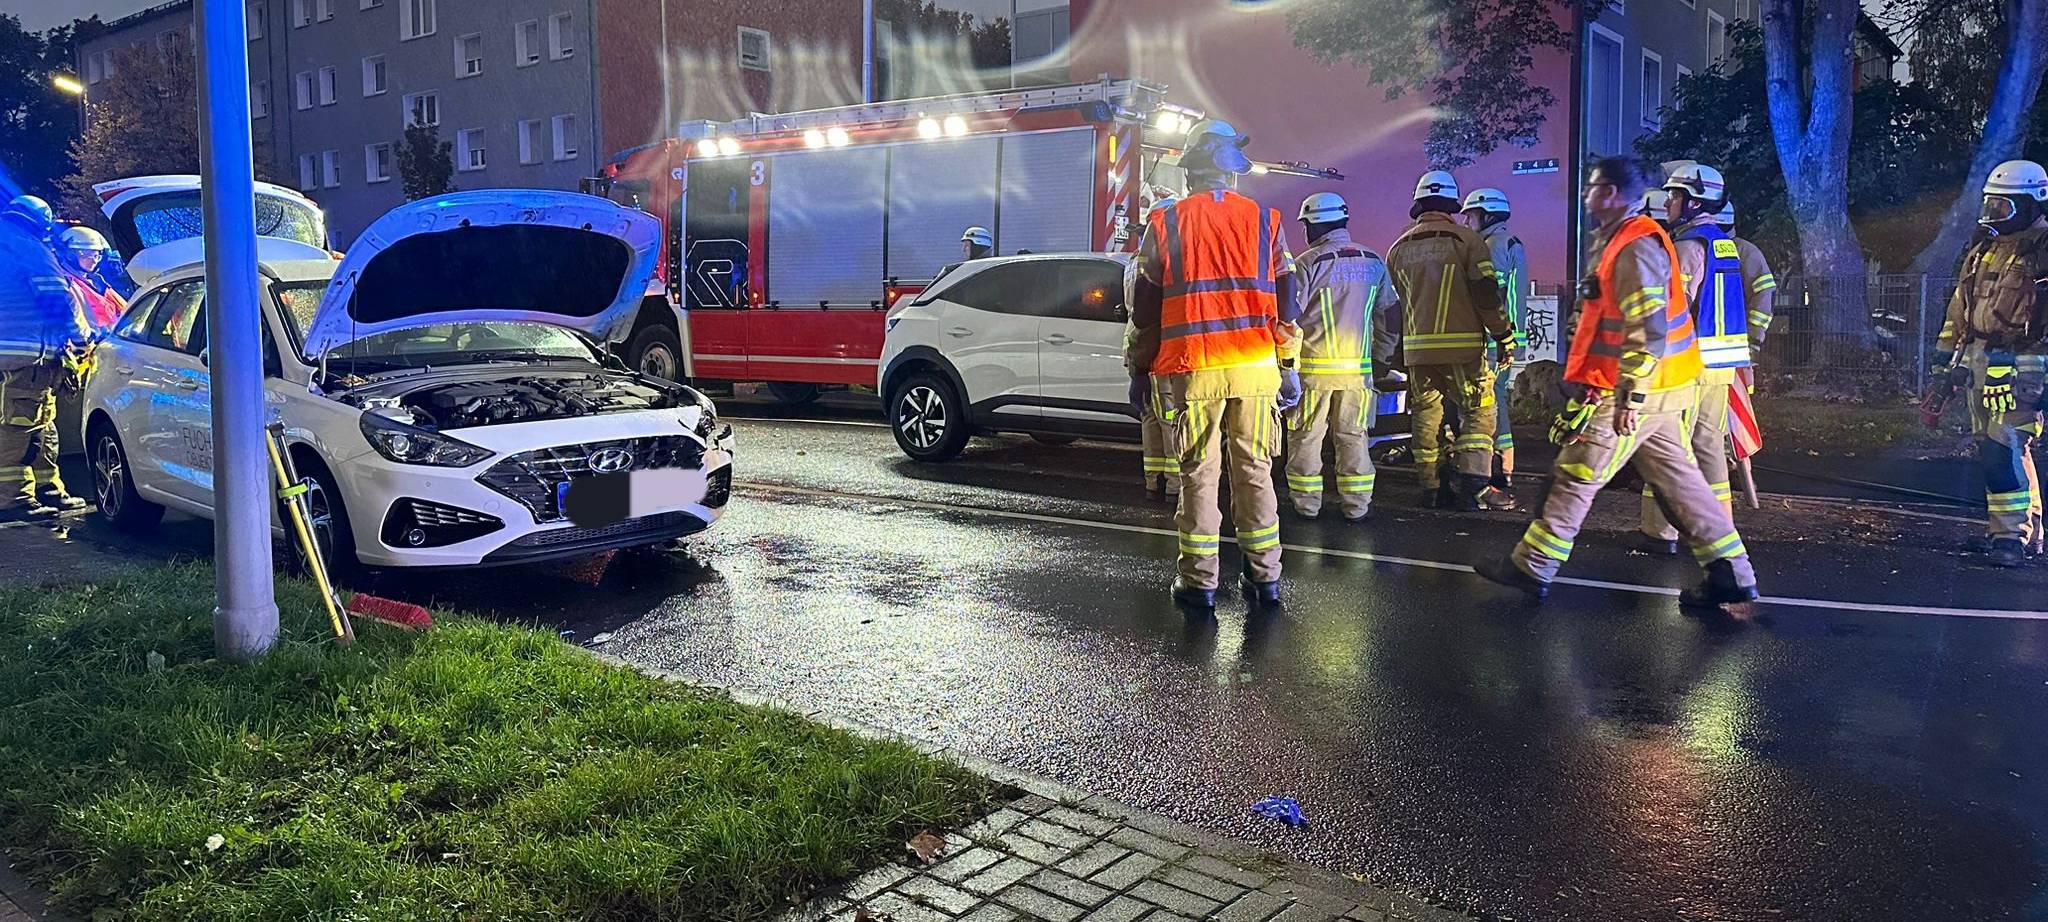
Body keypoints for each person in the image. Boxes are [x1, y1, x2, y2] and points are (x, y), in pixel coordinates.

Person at [1474, 156, 1758, 607]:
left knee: (1575, 474)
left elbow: (1648, 327)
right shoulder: (1628, 241)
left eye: (1594, 188)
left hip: (1635, 392)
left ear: (1612, 195)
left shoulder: (1635, 245)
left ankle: (1533, 566)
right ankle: (1732, 573)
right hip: (1663, 387)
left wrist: (1630, 393)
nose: (1587, 196)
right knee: (1684, 484)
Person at [1126, 119, 1296, 610]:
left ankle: (1199, 583)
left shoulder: (1167, 222)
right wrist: (1289, 365)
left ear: (1191, 168)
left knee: (1199, 472)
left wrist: (1140, 370)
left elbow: (1145, 310)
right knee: (1255, 470)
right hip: (1256, 368)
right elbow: (1288, 303)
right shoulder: (1267, 221)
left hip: (1194, 367)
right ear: (1232, 171)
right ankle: (1265, 580)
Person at [1934, 159, 2048, 567]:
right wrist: (1942, 368)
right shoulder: (1984, 250)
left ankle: (2010, 539)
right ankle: (2018, 531)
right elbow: (1958, 313)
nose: (1993, 216)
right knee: (1998, 449)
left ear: (2032, 204)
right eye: (1991, 206)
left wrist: (2029, 380)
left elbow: (2041, 327)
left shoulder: (2043, 253)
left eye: (2003, 207)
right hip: (1980, 363)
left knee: (2005, 448)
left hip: (2022, 370)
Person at [1385, 170, 1515, 509]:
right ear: (1452, 205)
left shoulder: (1397, 248)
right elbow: (1486, 295)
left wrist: (1398, 351)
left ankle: (1430, 486)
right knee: (1478, 410)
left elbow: (1393, 306)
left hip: (1417, 353)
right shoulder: (1467, 242)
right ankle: (1473, 485)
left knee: (1426, 415)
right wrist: (1504, 335)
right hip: (1462, 351)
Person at [1639, 163, 1749, 554]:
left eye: (1673, 195)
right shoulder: (1722, 242)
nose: (1667, 202)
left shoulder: (1686, 247)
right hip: (1721, 367)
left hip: (1690, 366)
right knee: (1708, 449)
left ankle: (1662, 532)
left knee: (1667, 446)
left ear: (1692, 201)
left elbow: (1674, 309)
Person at [1279, 192, 1399, 521]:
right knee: (1354, 437)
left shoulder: (1307, 264)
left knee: (1305, 438)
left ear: (1314, 226)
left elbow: (1287, 318)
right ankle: (1357, 506)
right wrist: (1382, 358)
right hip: (1358, 375)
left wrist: (1283, 366)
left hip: (1313, 375)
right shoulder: (1373, 261)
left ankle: (1306, 506)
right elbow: (1390, 314)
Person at [0, 196, 92, 518]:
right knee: (19, 428)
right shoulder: (29, 249)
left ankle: (48, 488)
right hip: (22, 363)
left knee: (41, 424)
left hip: (20, 365)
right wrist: (82, 338)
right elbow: (58, 300)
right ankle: (15, 500)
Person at [1462, 187, 1526, 508]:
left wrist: (1499, 336)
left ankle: (1499, 472)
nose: (1466, 220)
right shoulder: (1511, 242)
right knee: (1498, 399)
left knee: (1490, 404)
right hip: (1507, 338)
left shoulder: (1492, 246)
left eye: (1471, 214)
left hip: (1493, 340)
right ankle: (1505, 469)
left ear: (1486, 215)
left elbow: (1491, 295)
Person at [1717, 203, 1777, 352]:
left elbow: (1764, 292)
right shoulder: (1699, 249)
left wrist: (1754, 335)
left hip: (1737, 341)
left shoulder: (1744, 251)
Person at [57, 226, 127, 330]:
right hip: (94, 343)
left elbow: (126, 309)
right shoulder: (67, 284)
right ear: (69, 255)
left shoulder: (97, 281)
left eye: (96, 255)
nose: (93, 260)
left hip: (116, 340)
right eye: (86, 254)